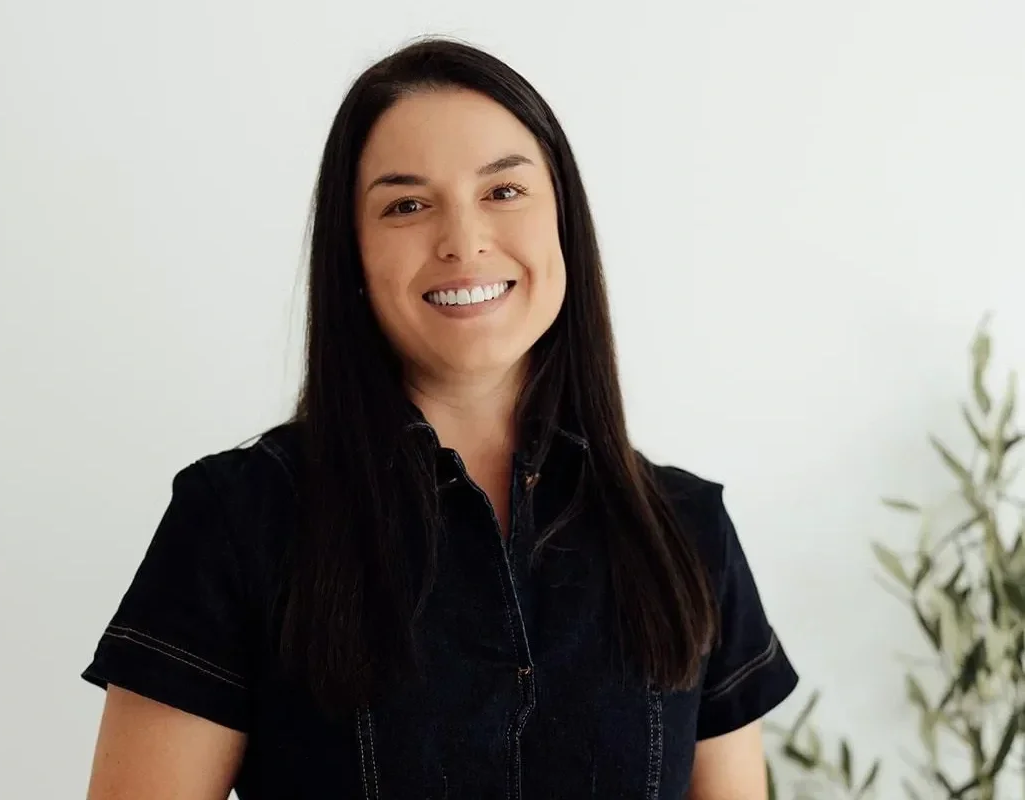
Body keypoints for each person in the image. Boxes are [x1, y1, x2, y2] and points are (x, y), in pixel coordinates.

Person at [81, 37, 798, 800]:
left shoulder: (686, 529)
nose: (463, 242)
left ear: (564, 222)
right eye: (407, 205)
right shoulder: (235, 517)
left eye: (503, 192)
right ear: (352, 256)